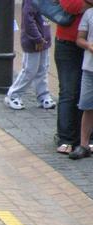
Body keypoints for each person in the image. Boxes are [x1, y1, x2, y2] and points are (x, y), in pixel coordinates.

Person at [4, 0, 56, 111]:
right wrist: (37, 38)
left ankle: (43, 95)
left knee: (43, 68)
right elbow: (28, 20)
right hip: (34, 41)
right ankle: (13, 95)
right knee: (29, 70)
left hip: (44, 39)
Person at [55, 0, 88, 155]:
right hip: (68, 43)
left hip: (89, 44)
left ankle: (85, 139)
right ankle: (66, 138)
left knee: (88, 92)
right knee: (69, 91)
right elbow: (72, 6)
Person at [71, 6, 93, 159]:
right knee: (86, 106)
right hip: (89, 68)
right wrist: (88, 45)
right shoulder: (89, 14)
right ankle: (84, 145)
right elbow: (79, 39)